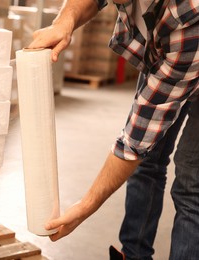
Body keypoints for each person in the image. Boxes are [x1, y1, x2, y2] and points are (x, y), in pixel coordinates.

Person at [28, 0, 199, 259]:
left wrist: (86, 206)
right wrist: (64, 21)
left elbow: (136, 139)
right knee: (147, 162)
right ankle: (134, 254)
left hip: (189, 46)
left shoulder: (190, 20)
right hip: (167, 48)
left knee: (191, 182)